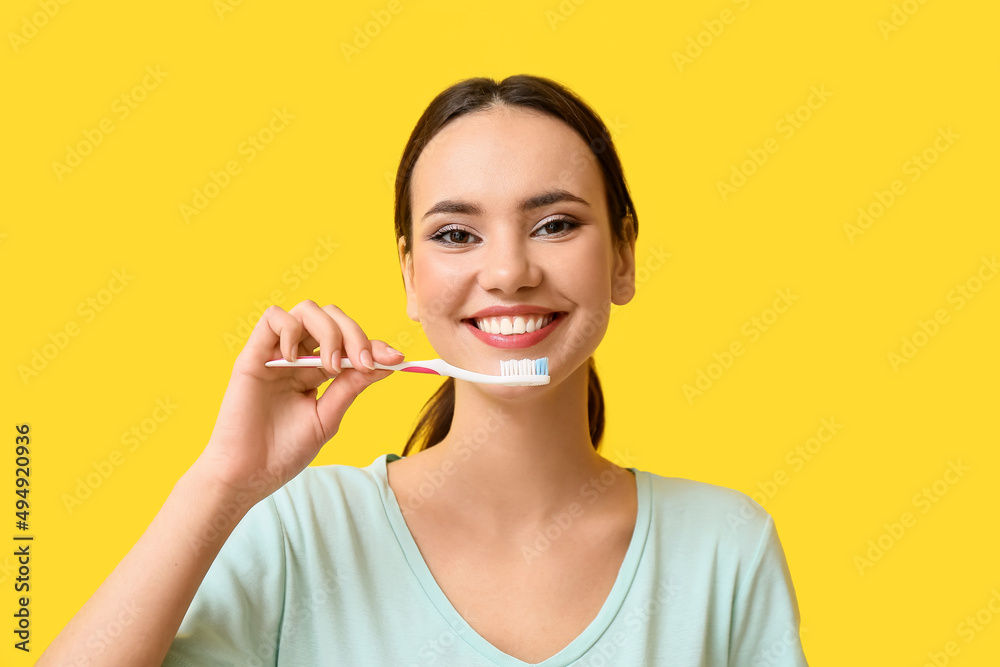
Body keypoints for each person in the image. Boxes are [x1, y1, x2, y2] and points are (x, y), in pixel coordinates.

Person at [39, 75, 808, 666]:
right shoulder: (300, 531)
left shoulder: (724, 549)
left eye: (555, 224)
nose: (507, 271)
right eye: (456, 234)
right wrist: (222, 482)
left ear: (624, 256)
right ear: (409, 274)